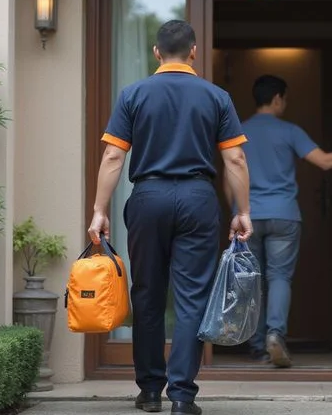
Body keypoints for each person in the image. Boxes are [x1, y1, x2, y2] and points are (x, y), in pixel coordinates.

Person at [88, 20, 253, 415]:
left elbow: (113, 156)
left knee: (147, 293)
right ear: (194, 51)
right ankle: (182, 396)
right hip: (198, 198)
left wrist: (99, 210)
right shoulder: (217, 96)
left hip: (148, 197)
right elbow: (235, 158)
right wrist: (242, 211)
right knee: (192, 297)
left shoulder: (134, 94)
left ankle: (149, 392)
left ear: (157, 53)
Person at [226, 74, 332, 368]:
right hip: (284, 214)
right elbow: (324, 162)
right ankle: (275, 335)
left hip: (248, 216)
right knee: (279, 277)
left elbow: (228, 178)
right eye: (285, 98)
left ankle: (257, 347)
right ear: (277, 99)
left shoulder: (238, 131)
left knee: (252, 281)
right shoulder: (290, 131)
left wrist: (235, 209)